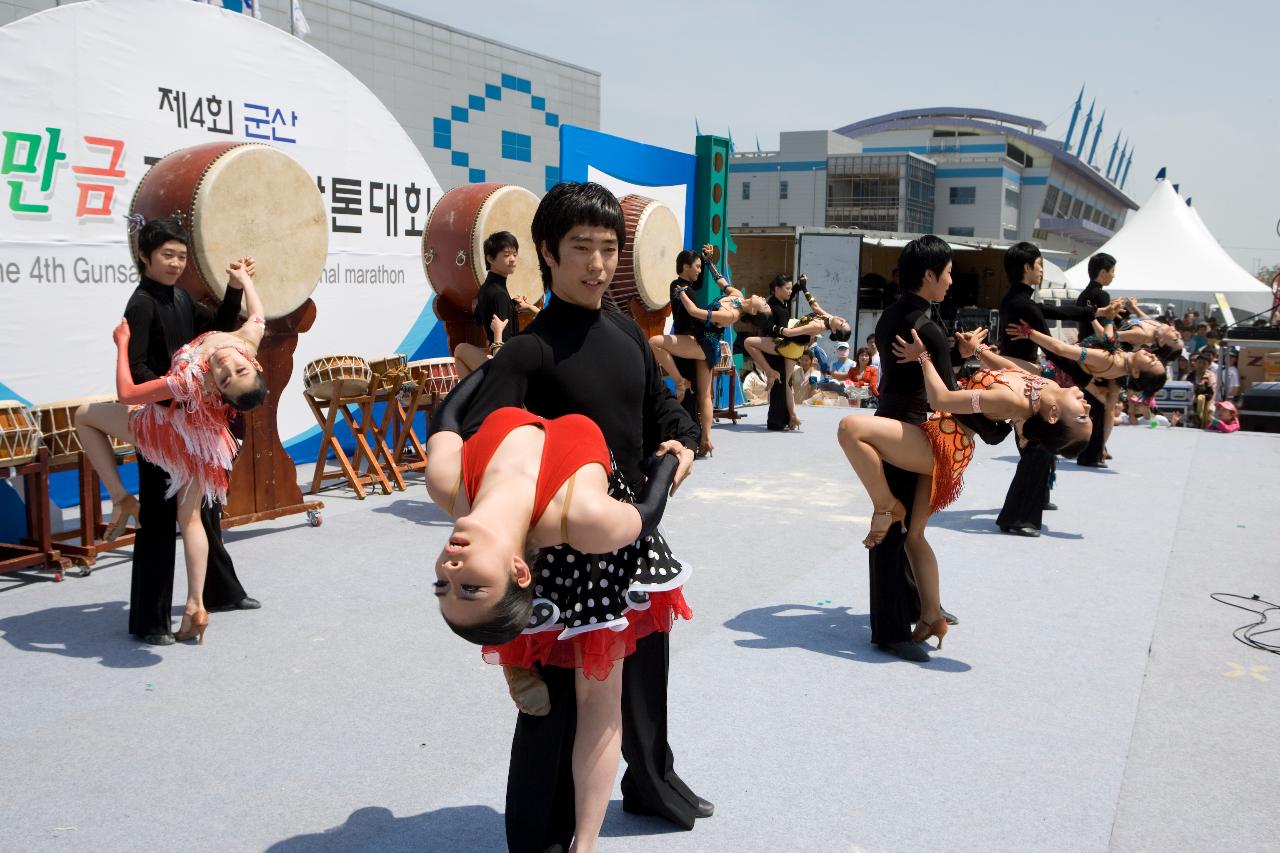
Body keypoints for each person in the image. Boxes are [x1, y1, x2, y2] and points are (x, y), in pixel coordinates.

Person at [428, 182, 710, 852]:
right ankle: (540, 836)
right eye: (580, 247)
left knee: (646, 674)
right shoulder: (531, 349)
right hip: (562, 547)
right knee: (554, 707)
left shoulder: (628, 334)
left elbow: (658, 409)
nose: (596, 263)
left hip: (628, 538)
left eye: (608, 249)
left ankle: (652, 780)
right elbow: (475, 424)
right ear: (547, 254)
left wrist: (680, 441)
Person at [426, 403, 686, 853]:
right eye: (468, 586)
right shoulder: (586, 517)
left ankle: (583, 841)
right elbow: (645, 514)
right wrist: (672, 461)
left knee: (593, 701)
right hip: (599, 553)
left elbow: (448, 413)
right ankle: (583, 845)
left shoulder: (448, 485)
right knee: (596, 704)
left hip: (566, 542)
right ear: (517, 572)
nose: (450, 567)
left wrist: (502, 355)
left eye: (442, 585)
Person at [839, 326, 1090, 648]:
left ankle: (886, 506)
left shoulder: (1012, 402)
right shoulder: (1046, 385)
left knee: (851, 428)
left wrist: (924, 357)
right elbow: (1007, 368)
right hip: (949, 443)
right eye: (1088, 414)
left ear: (1054, 416)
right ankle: (931, 614)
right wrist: (976, 351)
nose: (1087, 406)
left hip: (941, 445)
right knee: (914, 536)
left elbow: (940, 399)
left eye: (1082, 418)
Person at [75, 255, 268, 645]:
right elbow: (258, 313)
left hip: (167, 434)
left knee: (83, 416)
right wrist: (242, 279)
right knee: (191, 518)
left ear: (218, 389)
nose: (227, 367)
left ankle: (119, 497)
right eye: (237, 371)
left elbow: (128, 393)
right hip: (203, 443)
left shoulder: (189, 377)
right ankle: (197, 604)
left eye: (226, 378)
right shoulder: (247, 339)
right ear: (254, 364)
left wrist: (122, 344)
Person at [849, 235, 1011, 663]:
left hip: (894, 422)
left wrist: (954, 355)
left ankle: (918, 610)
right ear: (929, 275)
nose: (952, 280)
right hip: (911, 431)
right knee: (894, 531)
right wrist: (998, 427)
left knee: (902, 530)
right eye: (949, 272)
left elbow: (931, 378)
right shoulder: (926, 326)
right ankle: (890, 630)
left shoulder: (894, 316)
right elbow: (951, 396)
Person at [995, 241, 1116, 536]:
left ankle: (1028, 506)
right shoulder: (1023, 304)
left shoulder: (1016, 300)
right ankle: (1018, 517)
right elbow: (1056, 351)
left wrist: (1095, 313)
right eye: (1039, 266)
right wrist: (1088, 383)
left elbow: (1050, 310)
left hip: (1020, 378)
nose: (1041, 271)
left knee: (1038, 446)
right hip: (1025, 382)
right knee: (1038, 445)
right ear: (1027, 268)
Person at [648, 246, 767, 457]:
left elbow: (695, 312)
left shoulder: (731, 314)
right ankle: (705, 440)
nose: (764, 299)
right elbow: (720, 279)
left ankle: (679, 382)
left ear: (755, 310)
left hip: (705, 346)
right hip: (704, 344)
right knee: (705, 395)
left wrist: (681, 293)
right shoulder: (736, 295)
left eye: (764, 304)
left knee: (655, 342)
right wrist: (709, 260)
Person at [743, 274, 852, 430]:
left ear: (834, 329)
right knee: (787, 384)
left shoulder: (818, 326)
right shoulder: (829, 318)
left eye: (841, 322)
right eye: (844, 320)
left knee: (750, 344)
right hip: (794, 346)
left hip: (790, 346)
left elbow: (788, 333)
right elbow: (814, 306)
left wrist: (771, 326)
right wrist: (803, 287)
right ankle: (793, 415)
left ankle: (771, 375)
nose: (841, 318)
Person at [452, 231, 540, 379]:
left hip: (504, 359)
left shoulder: (486, 288)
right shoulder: (499, 294)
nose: (513, 259)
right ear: (490, 258)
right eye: (506, 255)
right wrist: (509, 307)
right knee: (461, 349)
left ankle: (470, 397)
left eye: (515, 254)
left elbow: (480, 318)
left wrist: (511, 307)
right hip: (505, 367)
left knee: (461, 349)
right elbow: (503, 344)